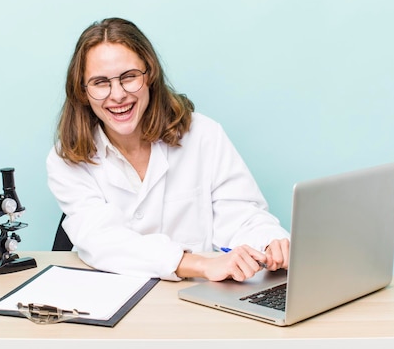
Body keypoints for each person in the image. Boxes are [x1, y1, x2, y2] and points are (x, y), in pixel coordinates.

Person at [46, 17, 290, 282]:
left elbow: (241, 215)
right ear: (82, 91)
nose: (117, 95)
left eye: (129, 77)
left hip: (194, 300)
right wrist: (197, 264)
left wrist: (271, 243)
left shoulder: (203, 135)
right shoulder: (66, 160)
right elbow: (103, 240)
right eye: (100, 82)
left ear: (149, 75)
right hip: (110, 296)